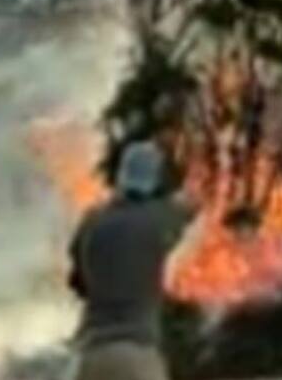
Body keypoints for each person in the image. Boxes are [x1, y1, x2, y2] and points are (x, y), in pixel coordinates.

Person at [68, 140, 193, 380]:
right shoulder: (160, 218)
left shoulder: (92, 221)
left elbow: (78, 282)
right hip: (139, 353)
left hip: (92, 354)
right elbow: (193, 207)